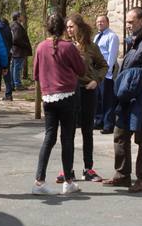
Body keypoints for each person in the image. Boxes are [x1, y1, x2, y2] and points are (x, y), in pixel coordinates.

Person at [106, 6, 142, 193]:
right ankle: (122, 175)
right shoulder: (135, 41)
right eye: (127, 22)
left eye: (131, 22)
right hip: (128, 98)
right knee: (120, 135)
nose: (128, 25)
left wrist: (131, 80)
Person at [31, 14, 87, 195]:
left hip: (48, 97)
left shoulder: (40, 47)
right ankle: (68, 181)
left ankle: (39, 181)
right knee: (67, 139)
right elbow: (81, 70)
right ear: (63, 28)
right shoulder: (68, 47)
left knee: (49, 138)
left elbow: (36, 74)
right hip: (67, 96)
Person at [62, 13, 108, 183]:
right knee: (69, 132)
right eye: (67, 27)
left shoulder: (91, 46)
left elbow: (104, 65)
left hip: (87, 91)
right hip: (70, 93)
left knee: (87, 131)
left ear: (79, 27)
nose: (69, 29)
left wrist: (96, 80)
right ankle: (67, 170)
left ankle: (88, 168)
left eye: (71, 26)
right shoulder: (64, 46)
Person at [93, 15, 120, 134]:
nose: (100, 23)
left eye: (102, 21)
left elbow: (112, 56)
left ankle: (108, 124)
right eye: (98, 22)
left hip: (106, 73)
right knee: (98, 98)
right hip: (96, 72)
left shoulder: (112, 36)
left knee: (107, 99)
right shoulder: (96, 37)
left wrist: (106, 72)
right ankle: (99, 121)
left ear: (108, 23)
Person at [0, 14, 14, 98]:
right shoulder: (7, 27)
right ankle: (8, 94)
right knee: (6, 73)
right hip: (6, 53)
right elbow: (11, 40)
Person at [9, 12, 32, 92]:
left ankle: (13, 84)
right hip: (18, 50)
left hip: (14, 50)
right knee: (17, 68)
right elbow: (16, 39)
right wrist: (25, 44)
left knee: (14, 67)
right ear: (18, 17)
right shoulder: (17, 26)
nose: (22, 17)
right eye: (21, 16)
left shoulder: (12, 25)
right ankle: (17, 84)